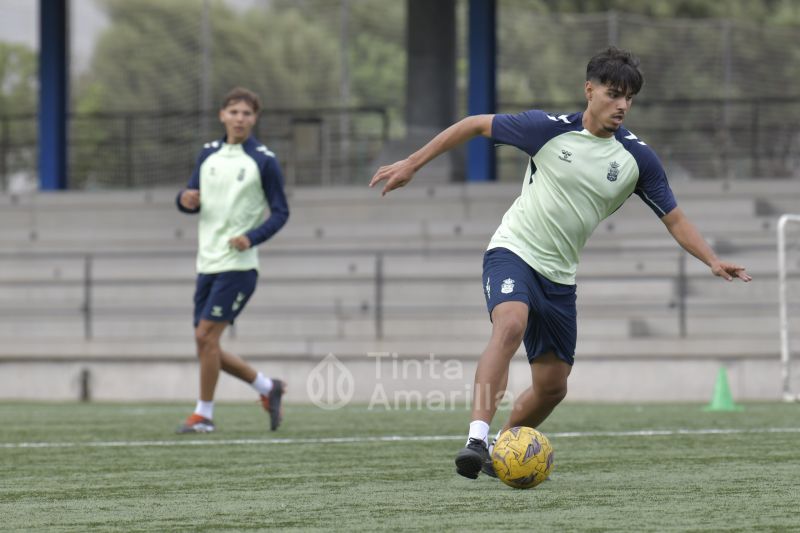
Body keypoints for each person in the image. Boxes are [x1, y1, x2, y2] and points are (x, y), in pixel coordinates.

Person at [369, 47, 752, 479]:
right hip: (513, 251)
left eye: (630, 98)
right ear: (590, 91)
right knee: (509, 324)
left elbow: (675, 218)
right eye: (614, 94)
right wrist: (411, 164)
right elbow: (475, 124)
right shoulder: (545, 129)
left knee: (553, 387)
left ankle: (499, 448)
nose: (622, 105)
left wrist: (712, 260)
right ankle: (476, 437)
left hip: (559, 277)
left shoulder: (637, 160)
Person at [176, 87, 290, 434]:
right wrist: (184, 199)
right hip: (206, 262)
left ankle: (203, 415)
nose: (240, 118)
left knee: (206, 338)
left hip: (239, 267)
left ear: (255, 119)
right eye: (234, 112)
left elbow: (281, 212)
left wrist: (251, 237)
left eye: (247, 113)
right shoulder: (207, 154)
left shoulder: (264, 160)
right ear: (222, 115)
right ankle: (268, 388)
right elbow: (190, 197)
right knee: (204, 341)